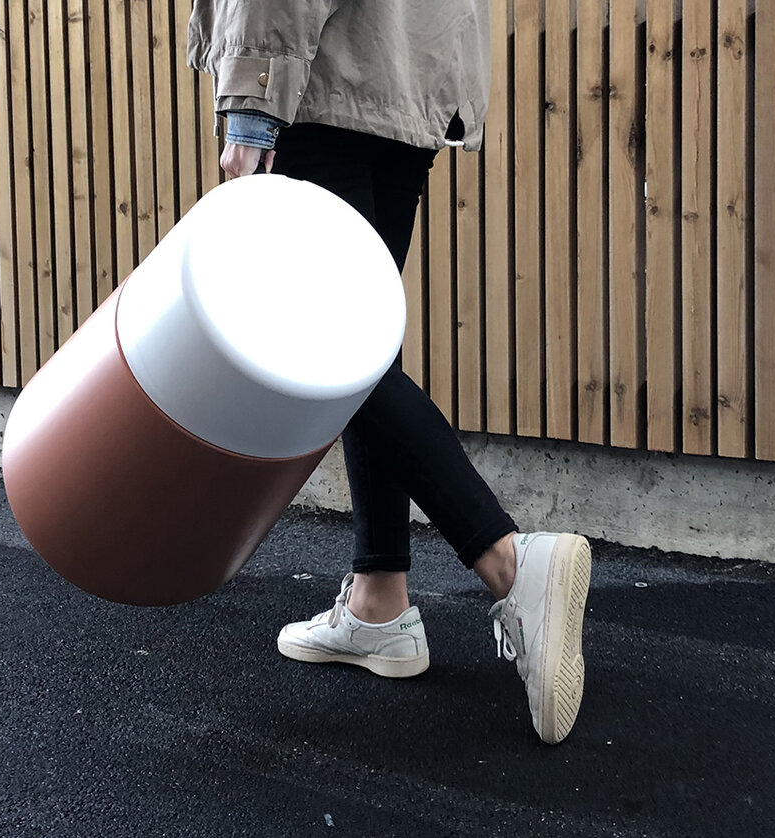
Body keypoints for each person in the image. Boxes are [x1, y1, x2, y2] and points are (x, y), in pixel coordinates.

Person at [188, 1, 591, 744]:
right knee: (359, 340)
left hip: (322, 76)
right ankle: (379, 601)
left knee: (335, 343)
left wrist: (251, 99)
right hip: (407, 72)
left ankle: (510, 563)